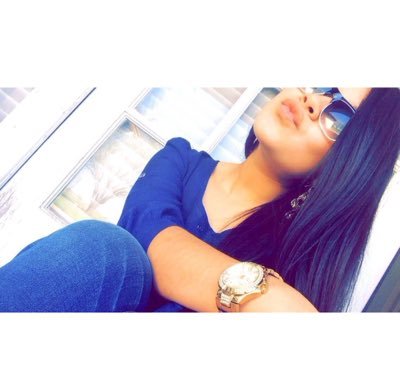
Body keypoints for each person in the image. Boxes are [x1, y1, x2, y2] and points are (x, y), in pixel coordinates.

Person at [0, 88, 399, 312]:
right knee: (103, 248)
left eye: (339, 117)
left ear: (351, 167)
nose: (311, 100)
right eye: (322, 86)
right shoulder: (181, 160)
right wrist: (265, 300)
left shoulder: (294, 262)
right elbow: (148, 234)